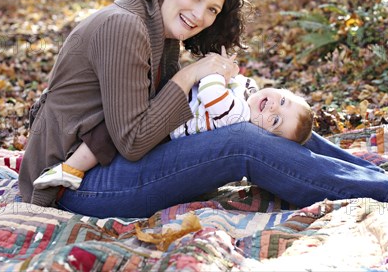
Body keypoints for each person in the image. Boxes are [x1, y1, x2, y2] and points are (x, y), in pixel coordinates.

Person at [19, 0, 388, 218]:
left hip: (108, 161)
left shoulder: (160, 30)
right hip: (72, 184)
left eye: (212, 9)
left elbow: (164, 112)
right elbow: (134, 140)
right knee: (244, 142)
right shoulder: (125, 27)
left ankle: (373, 174)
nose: (199, 15)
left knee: (273, 115)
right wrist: (195, 73)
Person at [32, 66, 314, 191]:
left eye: (275, 120)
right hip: (170, 107)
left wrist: (215, 71)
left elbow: (211, 92)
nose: (274, 107)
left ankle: (72, 168)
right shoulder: (248, 92)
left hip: (168, 129)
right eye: (283, 100)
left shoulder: (237, 114)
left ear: (264, 134)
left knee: (111, 133)